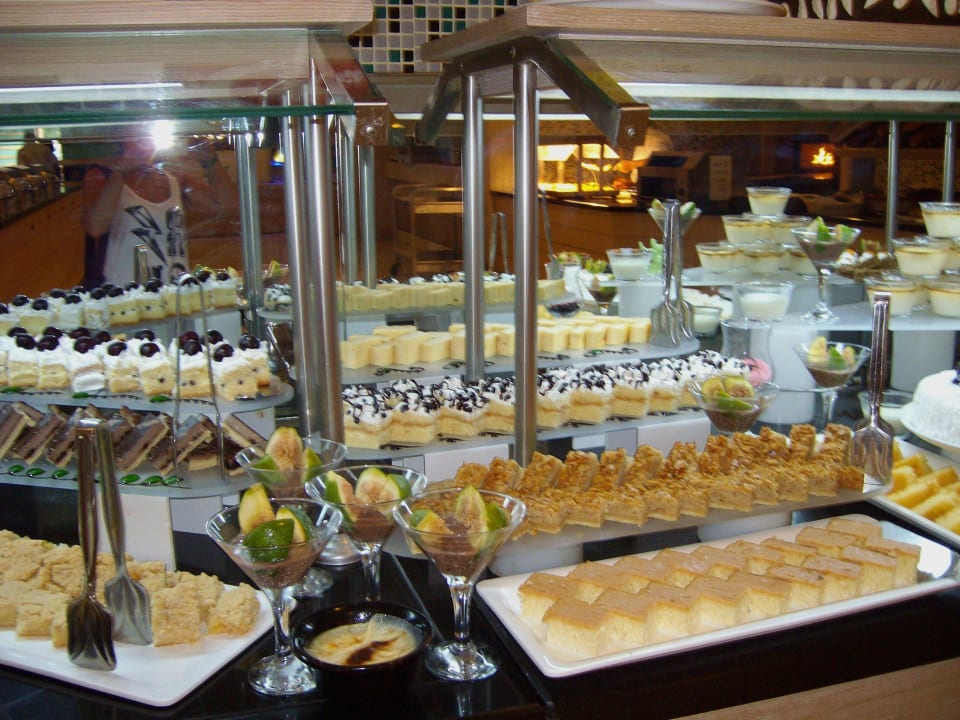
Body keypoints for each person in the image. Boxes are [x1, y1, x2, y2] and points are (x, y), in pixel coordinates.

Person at [82, 137, 235, 288]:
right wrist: (122, 169)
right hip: (124, 293)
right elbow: (96, 228)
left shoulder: (173, 178)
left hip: (175, 290)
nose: (144, 144)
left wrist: (211, 161)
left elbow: (226, 207)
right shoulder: (102, 175)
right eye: (139, 137)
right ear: (124, 138)